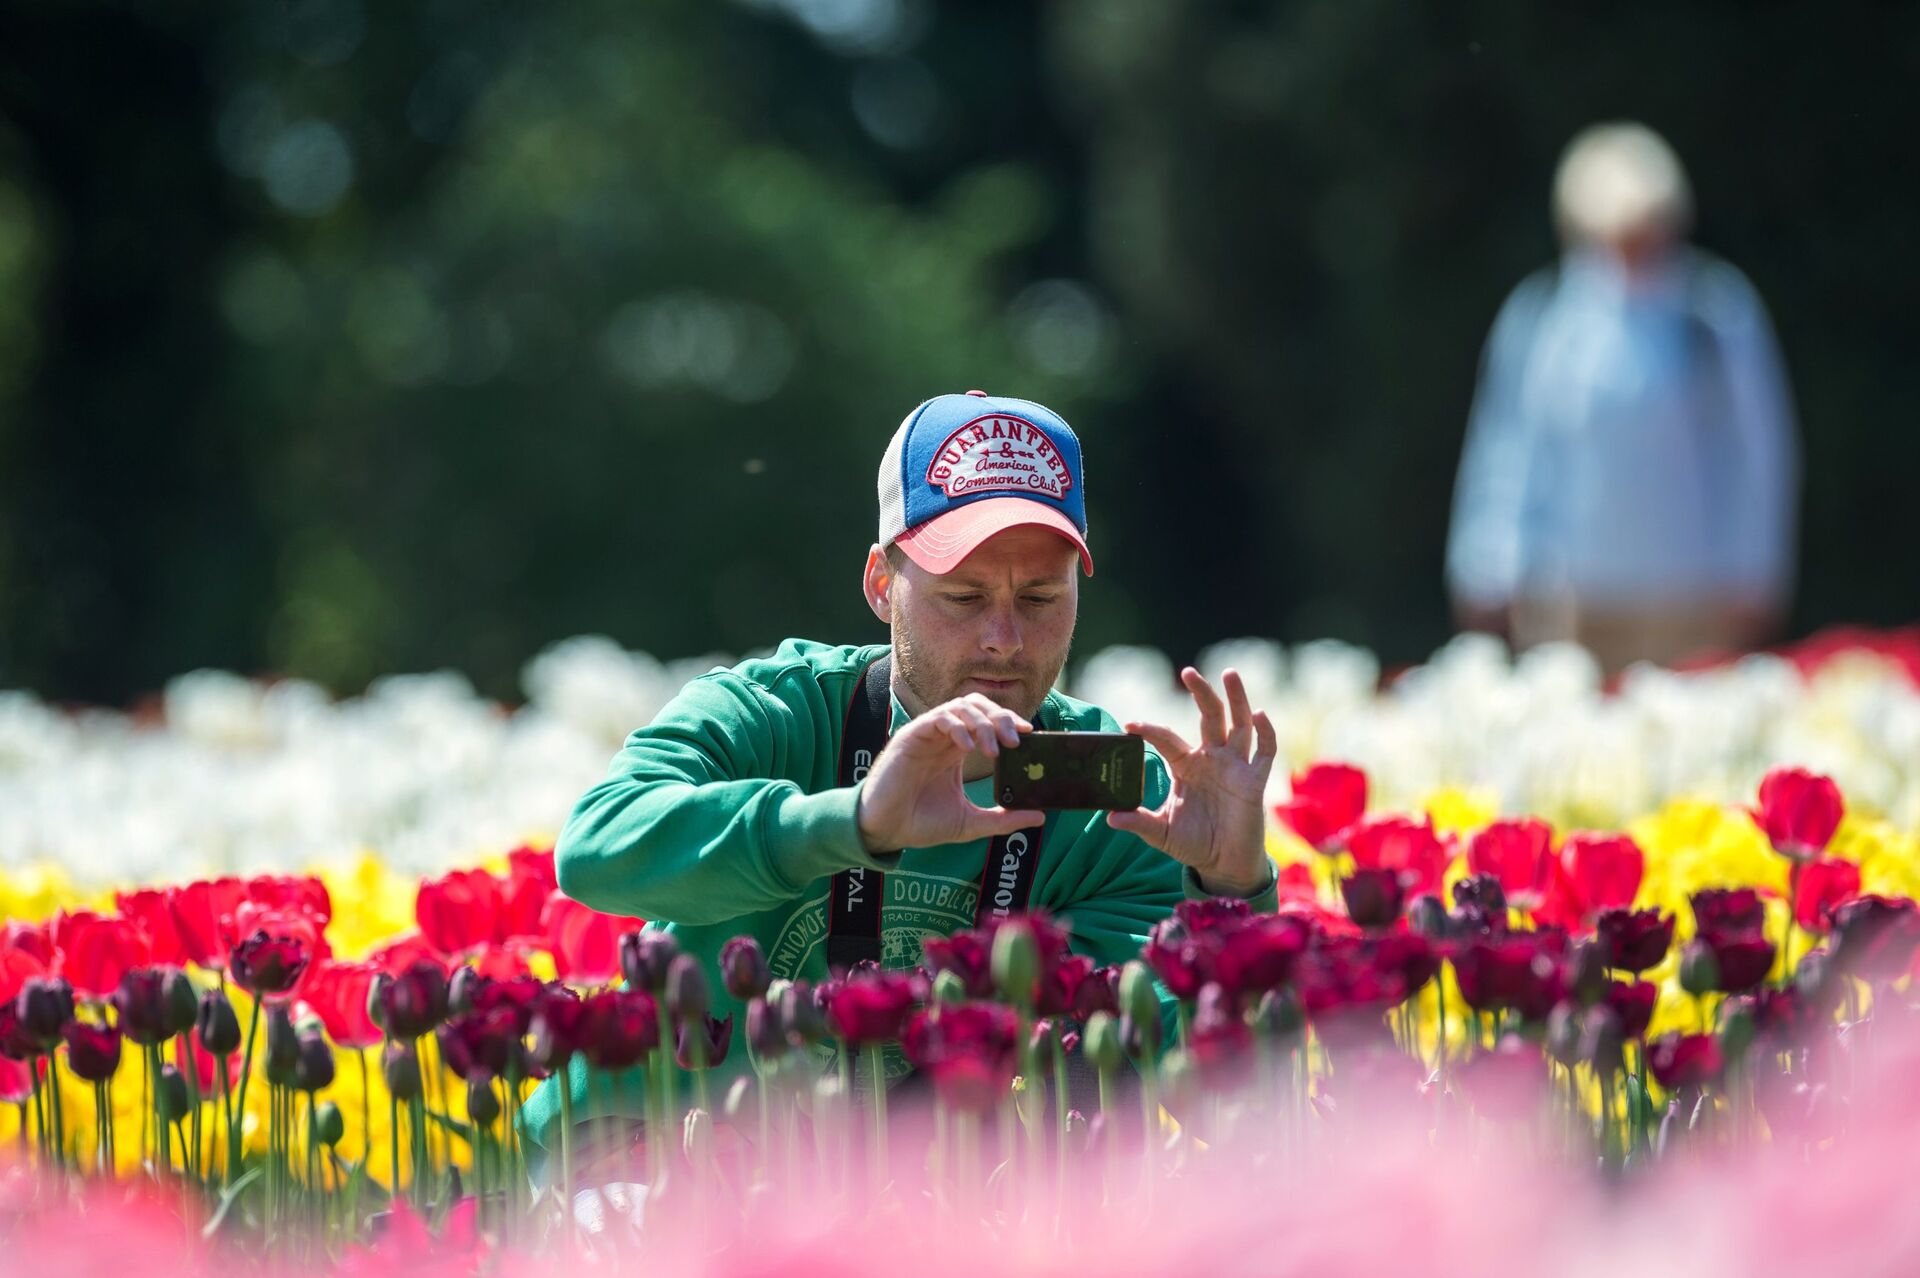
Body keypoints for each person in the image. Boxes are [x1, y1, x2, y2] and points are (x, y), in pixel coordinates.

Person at [521, 389, 1280, 1187]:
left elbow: (1172, 1062)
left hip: (920, 1213)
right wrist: (849, 823)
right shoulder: (775, 713)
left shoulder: (1119, 801)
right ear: (883, 583)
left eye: (1041, 598)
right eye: (963, 597)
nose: (1004, 637)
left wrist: (1230, 896)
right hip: (638, 1169)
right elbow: (595, 848)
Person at [1445, 122, 1801, 673]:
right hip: (1570, 599)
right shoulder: (1546, 314)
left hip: (1691, 597)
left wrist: (1755, 568)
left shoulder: (1711, 311)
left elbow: (1756, 450)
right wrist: (1488, 561)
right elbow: (1510, 447)